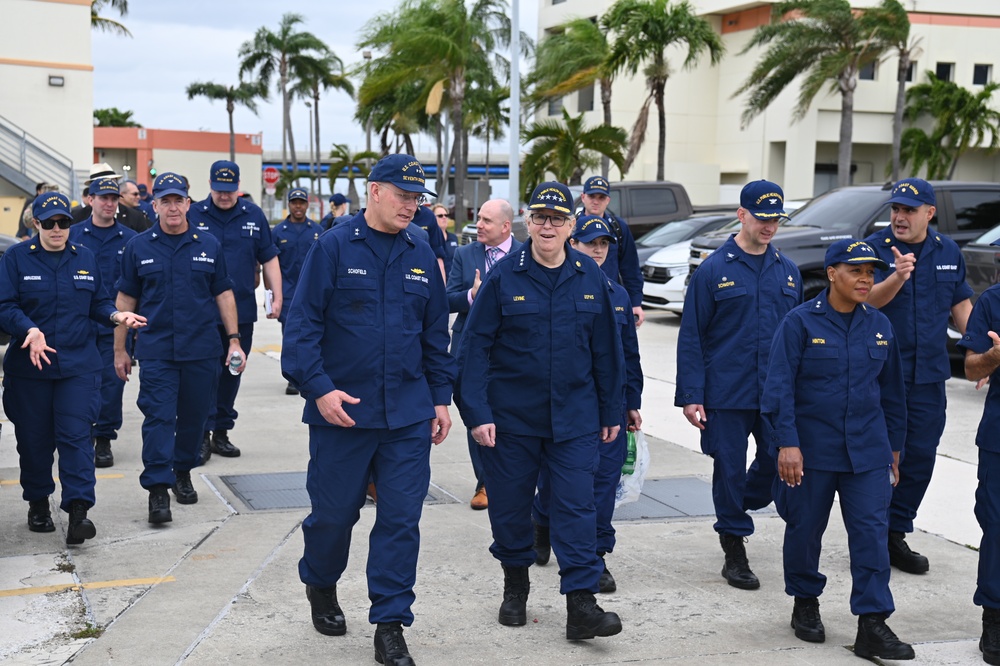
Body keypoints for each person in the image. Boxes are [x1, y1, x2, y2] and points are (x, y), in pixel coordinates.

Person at [281, 153, 454, 666]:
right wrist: (320, 389)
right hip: (343, 415)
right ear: (374, 191)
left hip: (406, 415)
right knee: (334, 518)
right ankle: (321, 582)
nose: (411, 205)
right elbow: (303, 327)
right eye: (402, 195)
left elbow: (433, 335)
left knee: (401, 520)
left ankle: (391, 624)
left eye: (417, 197)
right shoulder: (333, 247)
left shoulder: (421, 251)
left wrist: (440, 398)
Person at [458, 181, 624, 641]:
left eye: (557, 218)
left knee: (577, 508)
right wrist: (477, 413)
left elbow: (608, 350)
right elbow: (474, 349)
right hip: (512, 420)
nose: (547, 225)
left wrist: (613, 409)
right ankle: (516, 587)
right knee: (511, 510)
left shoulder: (590, 277)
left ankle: (581, 607)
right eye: (539, 218)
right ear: (527, 223)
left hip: (575, 418)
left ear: (572, 226)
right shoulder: (504, 276)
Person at [762, 238, 914, 660]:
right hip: (812, 451)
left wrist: (894, 450)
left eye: (871, 273)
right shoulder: (799, 323)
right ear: (832, 274)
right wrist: (786, 443)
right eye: (856, 271)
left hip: (868, 451)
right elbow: (778, 389)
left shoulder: (881, 326)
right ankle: (805, 602)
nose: (866, 280)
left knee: (870, 534)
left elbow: (893, 395)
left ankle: (872, 623)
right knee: (805, 530)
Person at [675, 179, 802, 590]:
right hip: (726, 392)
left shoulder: (787, 271)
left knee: (773, 464)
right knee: (728, 468)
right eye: (762, 218)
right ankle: (734, 544)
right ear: (742, 214)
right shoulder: (714, 270)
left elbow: (796, 338)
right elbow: (692, 334)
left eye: (776, 219)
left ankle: (738, 506)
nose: (769, 227)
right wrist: (691, 395)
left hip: (774, 393)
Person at [0, 192, 144, 545]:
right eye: (49, 223)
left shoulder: (85, 258)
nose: (57, 229)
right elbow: (4, 305)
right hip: (30, 371)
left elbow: (98, 302)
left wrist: (115, 316)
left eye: (63, 222)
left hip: (78, 366)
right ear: (36, 224)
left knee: (77, 438)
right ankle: (37, 501)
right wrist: (29, 330)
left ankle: (79, 510)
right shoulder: (17, 258)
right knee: (34, 442)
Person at [114, 172, 242, 525]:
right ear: (153, 205)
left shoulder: (208, 244)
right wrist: (120, 350)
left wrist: (234, 340)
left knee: (194, 418)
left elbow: (224, 294)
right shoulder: (139, 247)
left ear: (189, 203)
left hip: (202, 350)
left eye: (178, 200)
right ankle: (158, 488)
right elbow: (126, 299)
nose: (173, 207)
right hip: (156, 350)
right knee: (157, 417)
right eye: (165, 201)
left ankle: (182, 470)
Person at [864, 177, 973, 574]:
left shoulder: (948, 251)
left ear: (930, 213)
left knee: (920, 458)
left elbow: (960, 304)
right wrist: (896, 276)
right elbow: (865, 303)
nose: (899, 217)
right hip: (879, 375)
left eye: (909, 210)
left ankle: (895, 533)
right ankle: (872, 537)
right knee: (878, 458)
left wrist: (981, 352)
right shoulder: (872, 251)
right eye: (895, 209)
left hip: (928, 375)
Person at [532, 215, 643, 594]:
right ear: (572, 243)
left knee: (603, 484)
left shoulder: (617, 294)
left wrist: (632, 402)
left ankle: (596, 555)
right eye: (590, 242)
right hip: (567, 408)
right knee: (555, 481)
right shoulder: (557, 288)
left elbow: (628, 355)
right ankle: (542, 521)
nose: (597, 250)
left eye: (604, 244)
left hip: (607, 407)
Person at [188, 160, 281, 462]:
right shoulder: (194, 214)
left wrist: (275, 296)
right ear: (210, 185)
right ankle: (201, 433)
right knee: (203, 375)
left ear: (238, 187)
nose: (224, 196)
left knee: (231, 373)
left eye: (229, 191)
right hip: (201, 313)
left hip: (241, 312)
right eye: (219, 190)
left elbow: (268, 258)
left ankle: (221, 433)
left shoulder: (253, 215)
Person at [446, 198, 522, 510]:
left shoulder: (526, 254)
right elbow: (447, 299)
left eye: (486, 220)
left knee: (509, 413)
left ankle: (508, 479)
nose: (478, 225)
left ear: (506, 226)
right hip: (469, 346)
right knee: (474, 410)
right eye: (479, 218)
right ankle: (484, 483)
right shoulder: (464, 254)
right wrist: (470, 295)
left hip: (511, 349)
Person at [67, 177, 138, 468]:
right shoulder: (72, 235)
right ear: (90, 200)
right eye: (102, 198)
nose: (109, 204)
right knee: (79, 384)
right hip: (79, 325)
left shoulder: (130, 238)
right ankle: (81, 434)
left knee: (111, 385)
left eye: (113, 198)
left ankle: (104, 438)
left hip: (115, 326)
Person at [956, 271, 1000, 666]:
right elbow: (971, 368)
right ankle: (994, 618)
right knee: (998, 529)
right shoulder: (992, 302)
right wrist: (994, 358)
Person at [578, 176, 645, 326]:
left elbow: (630, 267)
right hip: (577, 298)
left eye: (601, 197)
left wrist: (635, 303)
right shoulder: (571, 226)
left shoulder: (618, 227)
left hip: (610, 298)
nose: (596, 201)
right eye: (591, 196)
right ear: (583, 197)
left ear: (608, 200)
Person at [273, 187, 321, 395]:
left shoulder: (317, 231)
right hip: (288, 294)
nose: (298, 206)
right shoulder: (278, 232)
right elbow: (270, 264)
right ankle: (292, 378)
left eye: (301, 202)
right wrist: (273, 295)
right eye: (294, 202)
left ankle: (311, 374)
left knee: (314, 335)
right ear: (289, 205)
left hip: (313, 293)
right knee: (290, 336)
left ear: (307, 204)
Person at [411, 205, 447, 283]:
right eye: (440, 215)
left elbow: (438, 256)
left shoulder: (428, 216)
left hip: (422, 273)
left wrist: (442, 289)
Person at [434, 204, 459, 276]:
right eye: (440, 216)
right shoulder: (429, 239)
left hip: (452, 280)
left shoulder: (453, 238)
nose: (444, 217)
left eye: (446, 215)